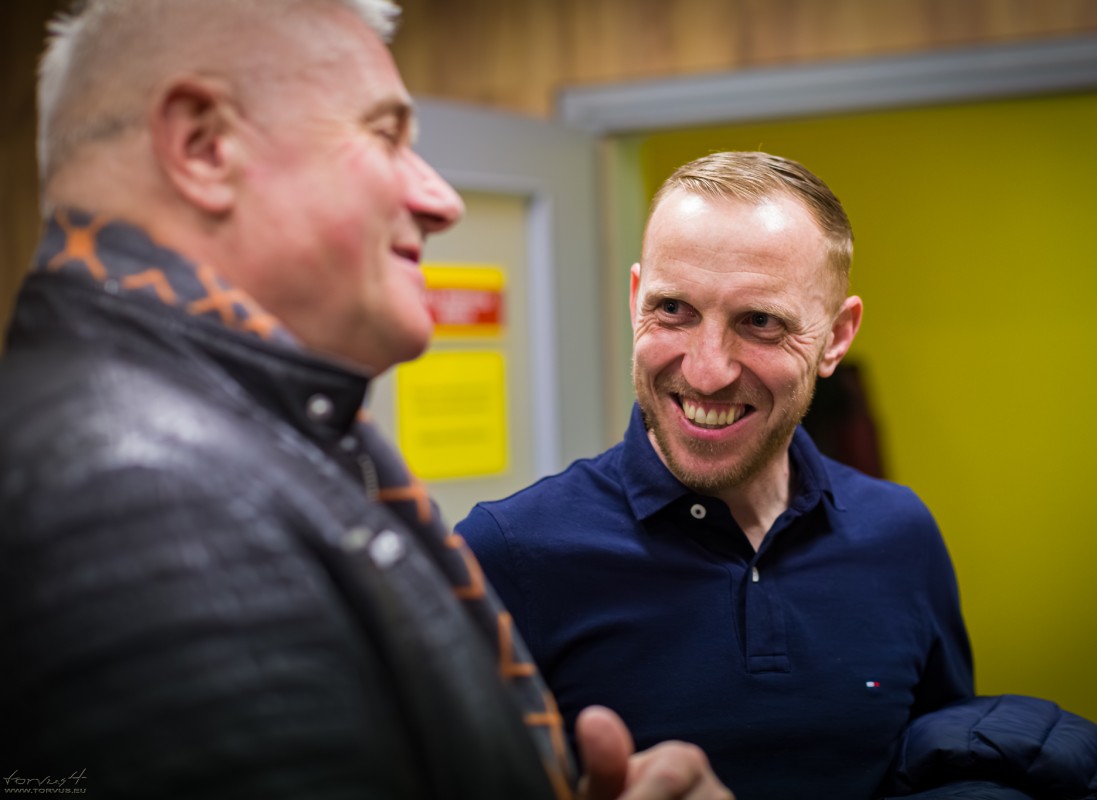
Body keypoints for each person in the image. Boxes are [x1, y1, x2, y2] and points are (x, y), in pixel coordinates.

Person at [0, 2, 732, 798]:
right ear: (204, 146)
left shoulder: (225, 437)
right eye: (386, 135)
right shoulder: (137, 497)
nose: (441, 200)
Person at [457, 152, 1097, 799]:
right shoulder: (506, 555)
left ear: (836, 337)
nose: (707, 370)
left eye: (760, 322)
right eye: (673, 310)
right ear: (636, 297)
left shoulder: (900, 534)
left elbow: (938, 770)